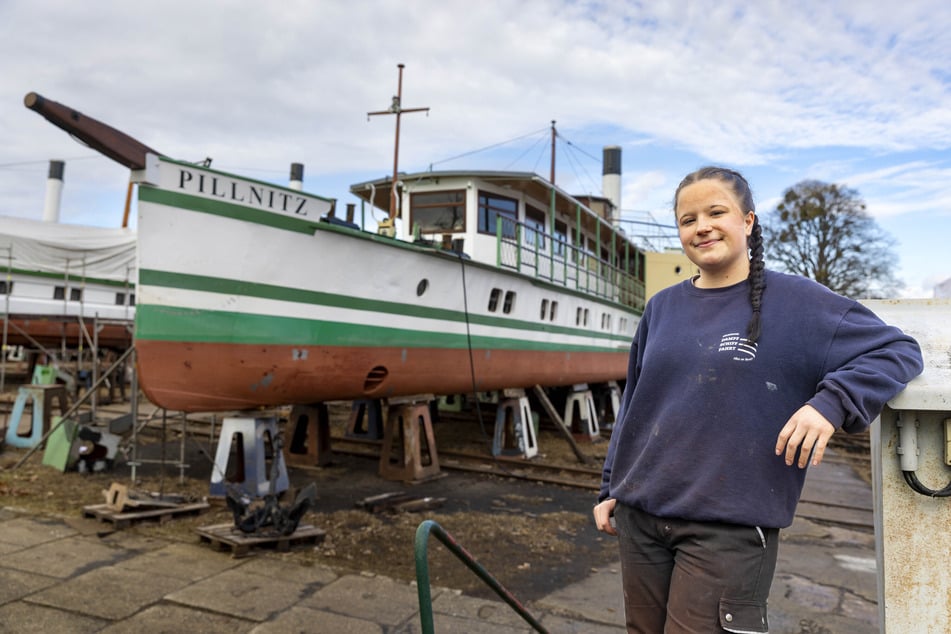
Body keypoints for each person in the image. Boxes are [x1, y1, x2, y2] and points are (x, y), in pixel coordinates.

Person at [592, 166, 923, 633]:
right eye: (688, 220)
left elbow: (898, 350)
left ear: (748, 221)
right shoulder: (661, 308)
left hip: (725, 531)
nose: (701, 226)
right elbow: (635, 406)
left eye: (716, 212)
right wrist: (611, 488)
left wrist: (829, 404)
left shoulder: (798, 303)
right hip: (640, 520)